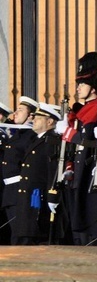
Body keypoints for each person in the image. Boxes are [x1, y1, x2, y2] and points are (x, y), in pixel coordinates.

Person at [56, 52, 97, 245]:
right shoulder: (84, 110)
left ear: (94, 86)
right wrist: (69, 166)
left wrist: (68, 133)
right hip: (78, 174)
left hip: (90, 175)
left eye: (83, 83)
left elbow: (91, 143)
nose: (78, 87)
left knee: (92, 229)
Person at [14, 103, 62, 245]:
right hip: (28, 196)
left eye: (39, 117)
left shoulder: (51, 141)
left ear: (50, 121)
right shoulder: (36, 139)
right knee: (26, 237)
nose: (34, 120)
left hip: (39, 197)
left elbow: (53, 170)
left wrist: (53, 194)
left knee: (37, 237)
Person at [1, 96, 38, 244]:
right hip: (9, 190)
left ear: (30, 116)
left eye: (21, 110)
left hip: (19, 188)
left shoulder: (30, 135)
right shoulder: (17, 134)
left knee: (20, 234)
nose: (15, 113)